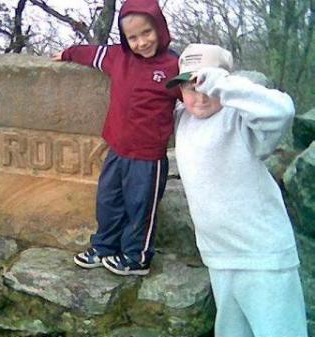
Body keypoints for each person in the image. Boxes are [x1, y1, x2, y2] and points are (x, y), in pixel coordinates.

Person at [166, 43, 308, 337]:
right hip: (218, 255)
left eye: (207, 86)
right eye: (190, 88)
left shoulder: (240, 120)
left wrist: (223, 85)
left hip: (263, 256)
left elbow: (282, 111)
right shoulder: (182, 120)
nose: (200, 97)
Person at [52, 0, 181, 276]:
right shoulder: (118, 58)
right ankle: (104, 247)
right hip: (117, 149)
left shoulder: (173, 66)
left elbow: (195, 95)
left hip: (148, 157)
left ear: (159, 28)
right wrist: (67, 53)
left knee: (140, 208)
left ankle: (137, 257)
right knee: (108, 200)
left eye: (147, 32)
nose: (141, 42)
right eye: (133, 37)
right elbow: (90, 53)